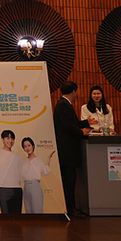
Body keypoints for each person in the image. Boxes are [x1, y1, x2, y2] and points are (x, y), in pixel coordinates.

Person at [53, 81, 95, 219]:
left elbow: (72, 123)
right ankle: (69, 209)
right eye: (77, 91)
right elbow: (67, 125)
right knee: (69, 180)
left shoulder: (64, 104)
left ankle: (70, 207)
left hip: (68, 150)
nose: (77, 94)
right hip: (67, 150)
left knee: (70, 179)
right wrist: (81, 132)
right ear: (73, 91)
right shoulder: (63, 105)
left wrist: (86, 123)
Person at [0, 130, 23, 213]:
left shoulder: (17, 156)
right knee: (5, 216)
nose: (10, 141)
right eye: (8, 138)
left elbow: (21, 173)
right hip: (3, 189)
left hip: (17, 189)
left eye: (12, 138)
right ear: (3, 139)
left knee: (17, 216)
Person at [20, 137, 55, 213]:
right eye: (25, 146)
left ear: (33, 146)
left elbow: (46, 171)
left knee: (37, 211)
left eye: (29, 145)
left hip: (35, 187)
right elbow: (20, 176)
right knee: (28, 211)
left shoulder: (39, 160)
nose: (27, 148)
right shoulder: (23, 161)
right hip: (26, 188)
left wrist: (48, 158)